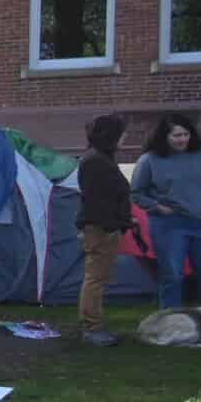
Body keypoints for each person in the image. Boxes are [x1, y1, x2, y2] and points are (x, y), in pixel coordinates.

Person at [131, 112, 201, 311]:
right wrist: (157, 207)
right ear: (164, 137)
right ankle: (169, 320)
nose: (182, 140)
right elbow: (137, 193)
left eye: (185, 134)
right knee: (172, 275)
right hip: (169, 225)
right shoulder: (149, 160)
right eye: (176, 135)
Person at [76, 113, 132, 346]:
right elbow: (98, 200)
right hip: (100, 229)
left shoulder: (100, 159)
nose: (125, 137)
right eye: (122, 133)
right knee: (95, 278)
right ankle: (92, 327)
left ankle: (94, 324)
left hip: (104, 226)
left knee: (98, 277)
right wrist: (112, 225)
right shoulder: (96, 162)